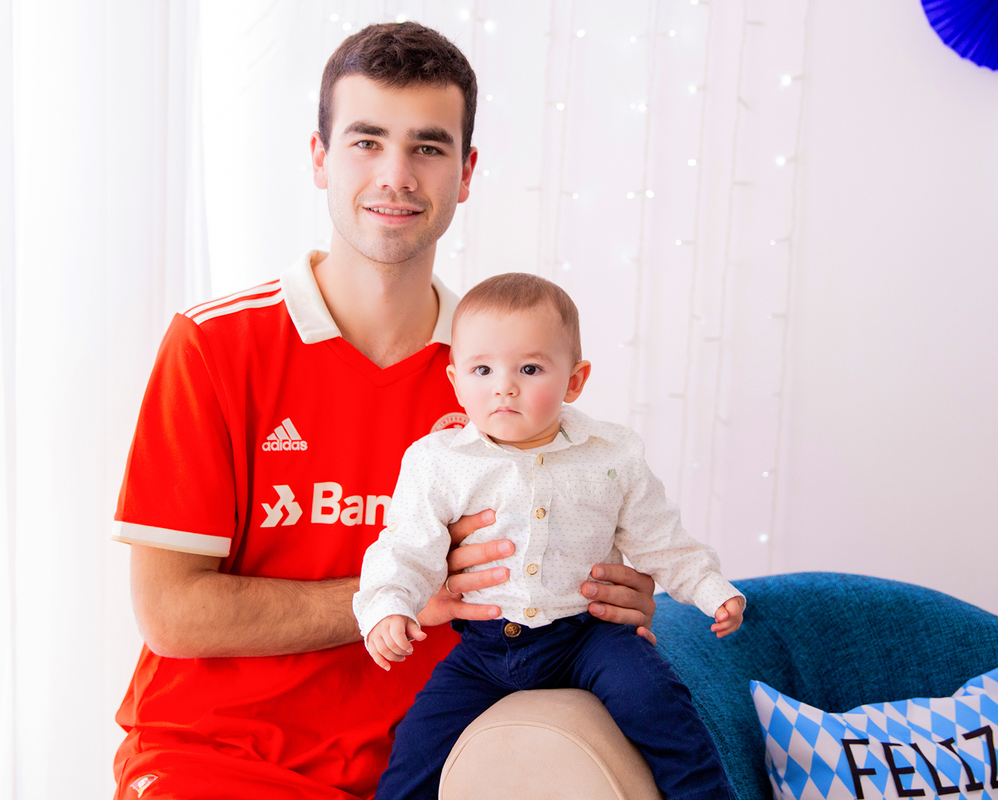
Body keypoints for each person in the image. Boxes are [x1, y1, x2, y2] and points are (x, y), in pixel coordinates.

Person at [110, 22, 658, 800]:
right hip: (217, 759)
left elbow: (556, 571)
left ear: (465, 174)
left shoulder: (508, 370)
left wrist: (611, 599)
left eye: (428, 148)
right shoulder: (214, 346)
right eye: (367, 142)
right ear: (319, 158)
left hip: (437, 765)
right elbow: (171, 612)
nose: (395, 175)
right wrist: (405, 597)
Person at [355, 273, 745, 800]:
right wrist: (386, 606)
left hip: (587, 636)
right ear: (454, 381)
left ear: (575, 381)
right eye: (482, 369)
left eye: (530, 368)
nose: (504, 386)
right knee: (417, 748)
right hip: (486, 650)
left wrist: (711, 590)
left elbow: (660, 540)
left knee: (656, 700)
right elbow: (406, 546)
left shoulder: (613, 455)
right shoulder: (438, 461)